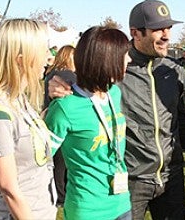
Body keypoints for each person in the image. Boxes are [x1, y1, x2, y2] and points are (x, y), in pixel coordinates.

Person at [48, 0, 185, 220]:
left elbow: (182, 121)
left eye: (169, 28)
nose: (166, 36)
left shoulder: (173, 71)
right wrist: (55, 85)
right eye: (158, 29)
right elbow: (87, 87)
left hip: (171, 176)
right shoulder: (117, 72)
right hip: (131, 181)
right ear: (135, 33)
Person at [45, 26, 132, 219]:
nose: (129, 60)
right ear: (106, 59)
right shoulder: (65, 107)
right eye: (124, 55)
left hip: (122, 203)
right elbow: (39, 159)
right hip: (88, 210)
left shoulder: (114, 93)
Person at [0, 19, 57, 219]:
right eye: (43, 51)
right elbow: (9, 187)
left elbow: (23, 173)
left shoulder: (17, 100)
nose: (49, 58)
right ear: (20, 59)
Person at [43, 44, 77, 207]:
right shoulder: (69, 75)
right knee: (62, 162)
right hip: (63, 119)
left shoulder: (50, 74)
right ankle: (62, 195)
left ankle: (57, 192)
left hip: (48, 115)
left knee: (54, 160)